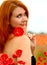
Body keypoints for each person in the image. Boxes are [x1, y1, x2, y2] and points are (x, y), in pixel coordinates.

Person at [0, 0, 36, 65]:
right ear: (7, 20)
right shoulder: (23, 39)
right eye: (19, 16)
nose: (25, 19)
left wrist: (32, 50)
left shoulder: (3, 40)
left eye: (25, 14)